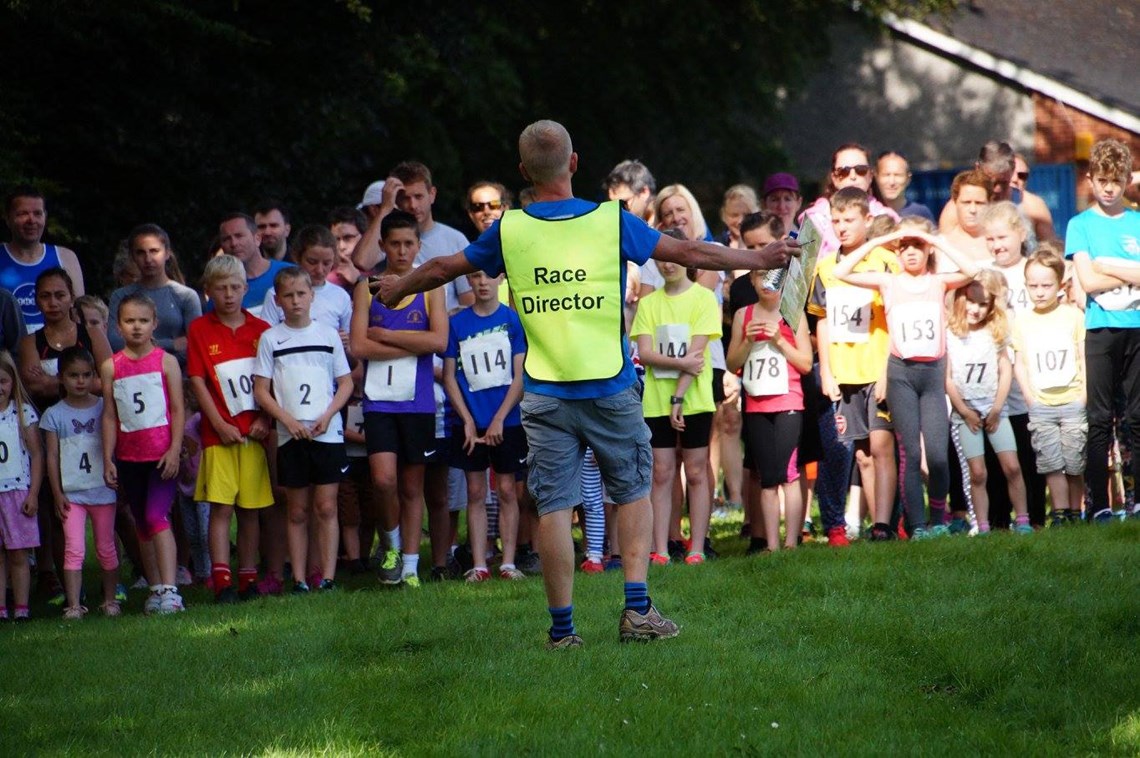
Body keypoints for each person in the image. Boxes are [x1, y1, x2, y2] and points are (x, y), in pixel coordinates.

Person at [376, 119, 796, 648]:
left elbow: (440, 267)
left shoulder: (510, 230)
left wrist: (397, 288)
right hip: (610, 386)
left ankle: (562, 631)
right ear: (574, 163)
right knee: (633, 490)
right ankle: (637, 612)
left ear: (524, 172)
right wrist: (757, 259)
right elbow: (689, 254)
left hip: (546, 392)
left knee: (552, 506)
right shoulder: (608, 221)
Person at [834, 220, 978, 537]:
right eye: (905, 247)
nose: (911, 252)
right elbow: (840, 272)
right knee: (911, 453)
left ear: (927, 249)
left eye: (918, 246)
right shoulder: (889, 282)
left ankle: (939, 518)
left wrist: (933, 239)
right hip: (901, 374)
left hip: (932, 375)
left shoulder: (939, 282)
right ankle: (917, 525)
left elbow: (972, 271)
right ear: (897, 252)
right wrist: (882, 240)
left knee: (938, 456)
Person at [350, 210, 448, 588]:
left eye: (409, 243)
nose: (403, 251)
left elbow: (438, 342)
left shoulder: (429, 288)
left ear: (419, 246)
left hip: (418, 402)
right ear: (383, 245)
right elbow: (359, 345)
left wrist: (385, 336)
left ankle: (409, 566)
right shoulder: (367, 287)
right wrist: (410, 345)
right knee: (383, 479)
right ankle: (390, 545)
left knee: (412, 486)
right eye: (395, 243)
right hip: (378, 403)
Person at [254, 267, 353, 592]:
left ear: (311, 296)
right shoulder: (271, 338)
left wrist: (328, 415)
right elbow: (261, 390)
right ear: (278, 300)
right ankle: (298, 578)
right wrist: (287, 420)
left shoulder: (326, 335)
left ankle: (327, 576)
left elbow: (345, 382)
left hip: (327, 432)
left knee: (326, 505)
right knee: (296, 508)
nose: (295, 301)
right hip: (289, 434)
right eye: (288, 295)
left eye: (301, 294)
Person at [809, 187, 898, 542]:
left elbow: (895, 320)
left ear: (867, 220)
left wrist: (888, 372)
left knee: (881, 446)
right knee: (859, 455)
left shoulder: (885, 263)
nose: (841, 228)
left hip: (878, 368)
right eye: (836, 221)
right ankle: (875, 526)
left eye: (849, 220)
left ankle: (885, 523)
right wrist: (827, 371)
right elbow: (823, 320)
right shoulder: (826, 268)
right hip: (844, 373)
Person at [186, 255, 275, 602]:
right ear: (207, 291)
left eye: (235, 287)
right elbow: (198, 380)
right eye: (220, 288)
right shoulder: (199, 329)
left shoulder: (261, 331)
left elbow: (269, 383)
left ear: (245, 288)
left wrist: (265, 419)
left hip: (254, 432)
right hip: (218, 435)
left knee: (250, 509)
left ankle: (248, 578)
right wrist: (219, 424)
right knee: (221, 507)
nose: (228, 295)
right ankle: (221, 580)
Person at [1065, 138, 1140, 522]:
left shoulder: (1136, 221)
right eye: (1102, 180)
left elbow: (1098, 274)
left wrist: (1106, 266)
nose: (1109, 188)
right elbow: (1087, 282)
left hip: (1136, 328)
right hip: (1101, 330)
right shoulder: (1080, 224)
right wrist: (1125, 272)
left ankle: (1137, 500)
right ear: (1091, 180)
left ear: (1127, 180)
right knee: (1099, 420)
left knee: (1137, 417)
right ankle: (1098, 506)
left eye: (1117, 180)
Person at [631, 251, 720, 566]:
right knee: (662, 471)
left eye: (673, 258)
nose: (667, 264)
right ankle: (661, 549)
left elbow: (696, 356)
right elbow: (645, 353)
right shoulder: (649, 304)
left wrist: (679, 397)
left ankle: (696, 547)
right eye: (660, 259)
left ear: (687, 260)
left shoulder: (703, 299)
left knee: (696, 471)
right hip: (655, 401)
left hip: (693, 400)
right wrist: (678, 363)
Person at [100, 293, 186, 614]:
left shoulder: (166, 362)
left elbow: (177, 409)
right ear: (119, 326)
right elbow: (109, 415)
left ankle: (171, 589)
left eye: (143, 321)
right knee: (142, 523)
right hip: (129, 458)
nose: (136, 327)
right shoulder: (111, 367)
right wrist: (108, 457)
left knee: (155, 516)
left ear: (154, 324)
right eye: (129, 321)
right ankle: (154, 587)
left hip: (162, 456)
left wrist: (176, 449)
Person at [442, 270, 527, 581]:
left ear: (501, 279)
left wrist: (500, 418)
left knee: (507, 489)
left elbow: (520, 377)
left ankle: (507, 562)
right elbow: (449, 375)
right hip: (471, 421)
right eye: (475, 276)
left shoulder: (513, 321)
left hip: (508, 420)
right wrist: (465, 419)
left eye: (489, 276)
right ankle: (479, 564)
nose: (482, 282)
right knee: (475, 491)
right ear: (467, 281)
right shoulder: (457, 324)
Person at [726, 266, 812, 551]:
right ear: (752, 280)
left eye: (774, 276)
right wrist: (749, 340)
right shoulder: (743, 315)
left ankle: (791, 543)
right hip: (756, 404)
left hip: (788, 401)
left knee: (788, 471)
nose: (767, 283)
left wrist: (779, 341)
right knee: (766, 475)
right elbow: (731, 363)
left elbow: (806, 363)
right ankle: (772, 545)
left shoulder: (793, 314)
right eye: (761, 276)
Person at [944, 273, 1032, 534]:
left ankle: (1023, 520)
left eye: (984, 304)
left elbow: (1005, 368)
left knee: (1012, 466)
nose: (976, 309)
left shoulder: (995, 331)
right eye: (971, 301)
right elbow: (947, 379)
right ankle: (981, 524)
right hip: (965, 412)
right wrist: (963, 411)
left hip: (995, 408)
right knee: (978, 472)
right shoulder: (951, 333)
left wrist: (995, 408)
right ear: (961, 299)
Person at [41, 346, 120, 618]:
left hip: (102, 490)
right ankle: (74, 604)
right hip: (73, 494)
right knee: (74, 548)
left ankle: (110, 600)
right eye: (74, 375)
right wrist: (57, 492)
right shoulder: (54, 414)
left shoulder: (103, 407)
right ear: (61, 377)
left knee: (106, 547)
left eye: (87, 375)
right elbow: (51, 456)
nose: (81, 381)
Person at [1011, 245, 1086, 525]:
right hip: (1042, 403)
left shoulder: (1073, 316)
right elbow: (1019, 362)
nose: (1040, 291)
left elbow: (1082, 356)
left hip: (1072, 399)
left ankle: (1076, 512)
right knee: (1051, 462)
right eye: (1033, 286)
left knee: (1074, 460)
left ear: (1059, 285)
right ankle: (1060, 512)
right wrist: (1030, 398)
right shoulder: (1023, 321)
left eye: (1046, 285)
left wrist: (1084, 394)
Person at [352, 161, 472, 312]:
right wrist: (385, 208)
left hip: (445, 328)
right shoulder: (387, 237)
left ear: (432, 194)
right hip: (394, 324)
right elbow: (362, 261)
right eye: (405, 198)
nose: (413, 205)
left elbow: (468, 297)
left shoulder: (455, 239)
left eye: (418, 196)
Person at [108, 224, 202, 366]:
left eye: (154, 251)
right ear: (133, 256)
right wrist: (170, 344)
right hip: (133, 375)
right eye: (140, 253)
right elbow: (115, 342)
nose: (148, 259)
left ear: (167, 253)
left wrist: (140, 349)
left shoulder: (186, 296)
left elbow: (195, 345)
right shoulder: (120, 296)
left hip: (178, 378)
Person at [1, 185, 85, 333]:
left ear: (45, 217)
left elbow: (80, 314)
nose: (31, 220)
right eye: (22, 214)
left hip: (58, 349)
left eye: (37, 213)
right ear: (7, 218)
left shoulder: (66, 257)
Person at [260, 226, 352, 351]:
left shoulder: (341, 296)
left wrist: (344, 342)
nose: (320, 270)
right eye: (312, 262)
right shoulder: (275, 294)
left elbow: (350, 343)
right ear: (297, 258)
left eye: (326, 263)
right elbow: (266, 339)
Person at [0, 350, 43, 621]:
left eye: (2, 381)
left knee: (18, 552)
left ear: (12, 382)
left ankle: (22, 607)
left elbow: (37, 454)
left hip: (17, 492)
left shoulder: (23, 413)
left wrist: (34, 493)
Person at [800, 143, 899, 260]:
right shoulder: (815, 219)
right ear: (834, 178)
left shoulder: (888, 217)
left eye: (861, 170)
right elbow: (802, 272)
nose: (852, 176)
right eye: (844, 171)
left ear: (871, 176)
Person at [217, 212, 291, 318]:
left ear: (257, 238)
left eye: (239, 236)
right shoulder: (221, 289)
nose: (233, 243)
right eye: (226, 239)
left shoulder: (289, 272)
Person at [943, 169, 994, 262]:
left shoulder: (1000, 244)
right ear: (955, 202)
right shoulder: (943, 244)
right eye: (966, 203)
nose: (973, 210)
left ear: (989, 204)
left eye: (979, 203)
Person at [874, 152, 934, 223]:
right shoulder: (869, 212)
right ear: (876, 177)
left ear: (908, 179)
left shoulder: (921, 213)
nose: (892, 182)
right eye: (886, 175)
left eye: (897, 175)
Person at [1011, 153, 1057, 243]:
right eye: (1011, 173)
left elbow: (1050, 245)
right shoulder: (986, 200)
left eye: (1022, 176)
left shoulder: (1035, 205)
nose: (1015, 179)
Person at [603, 159, 657, 224]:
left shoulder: (665, 227)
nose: (618, 211)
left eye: (623, 204)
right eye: (612, 206)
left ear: (644, 192)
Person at [327, 207, 368, 291]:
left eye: (348, 238)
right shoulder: (322, 276)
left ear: (365, 237)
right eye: (336, 240)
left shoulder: (382, 268)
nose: (341, 246)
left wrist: (359, 280)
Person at [760, 173, 803, 238]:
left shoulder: (806, 241)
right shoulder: (753, 239)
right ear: (764, 204)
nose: (781, 207)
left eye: (788, 199)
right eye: (775, 200)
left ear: (798, 203)